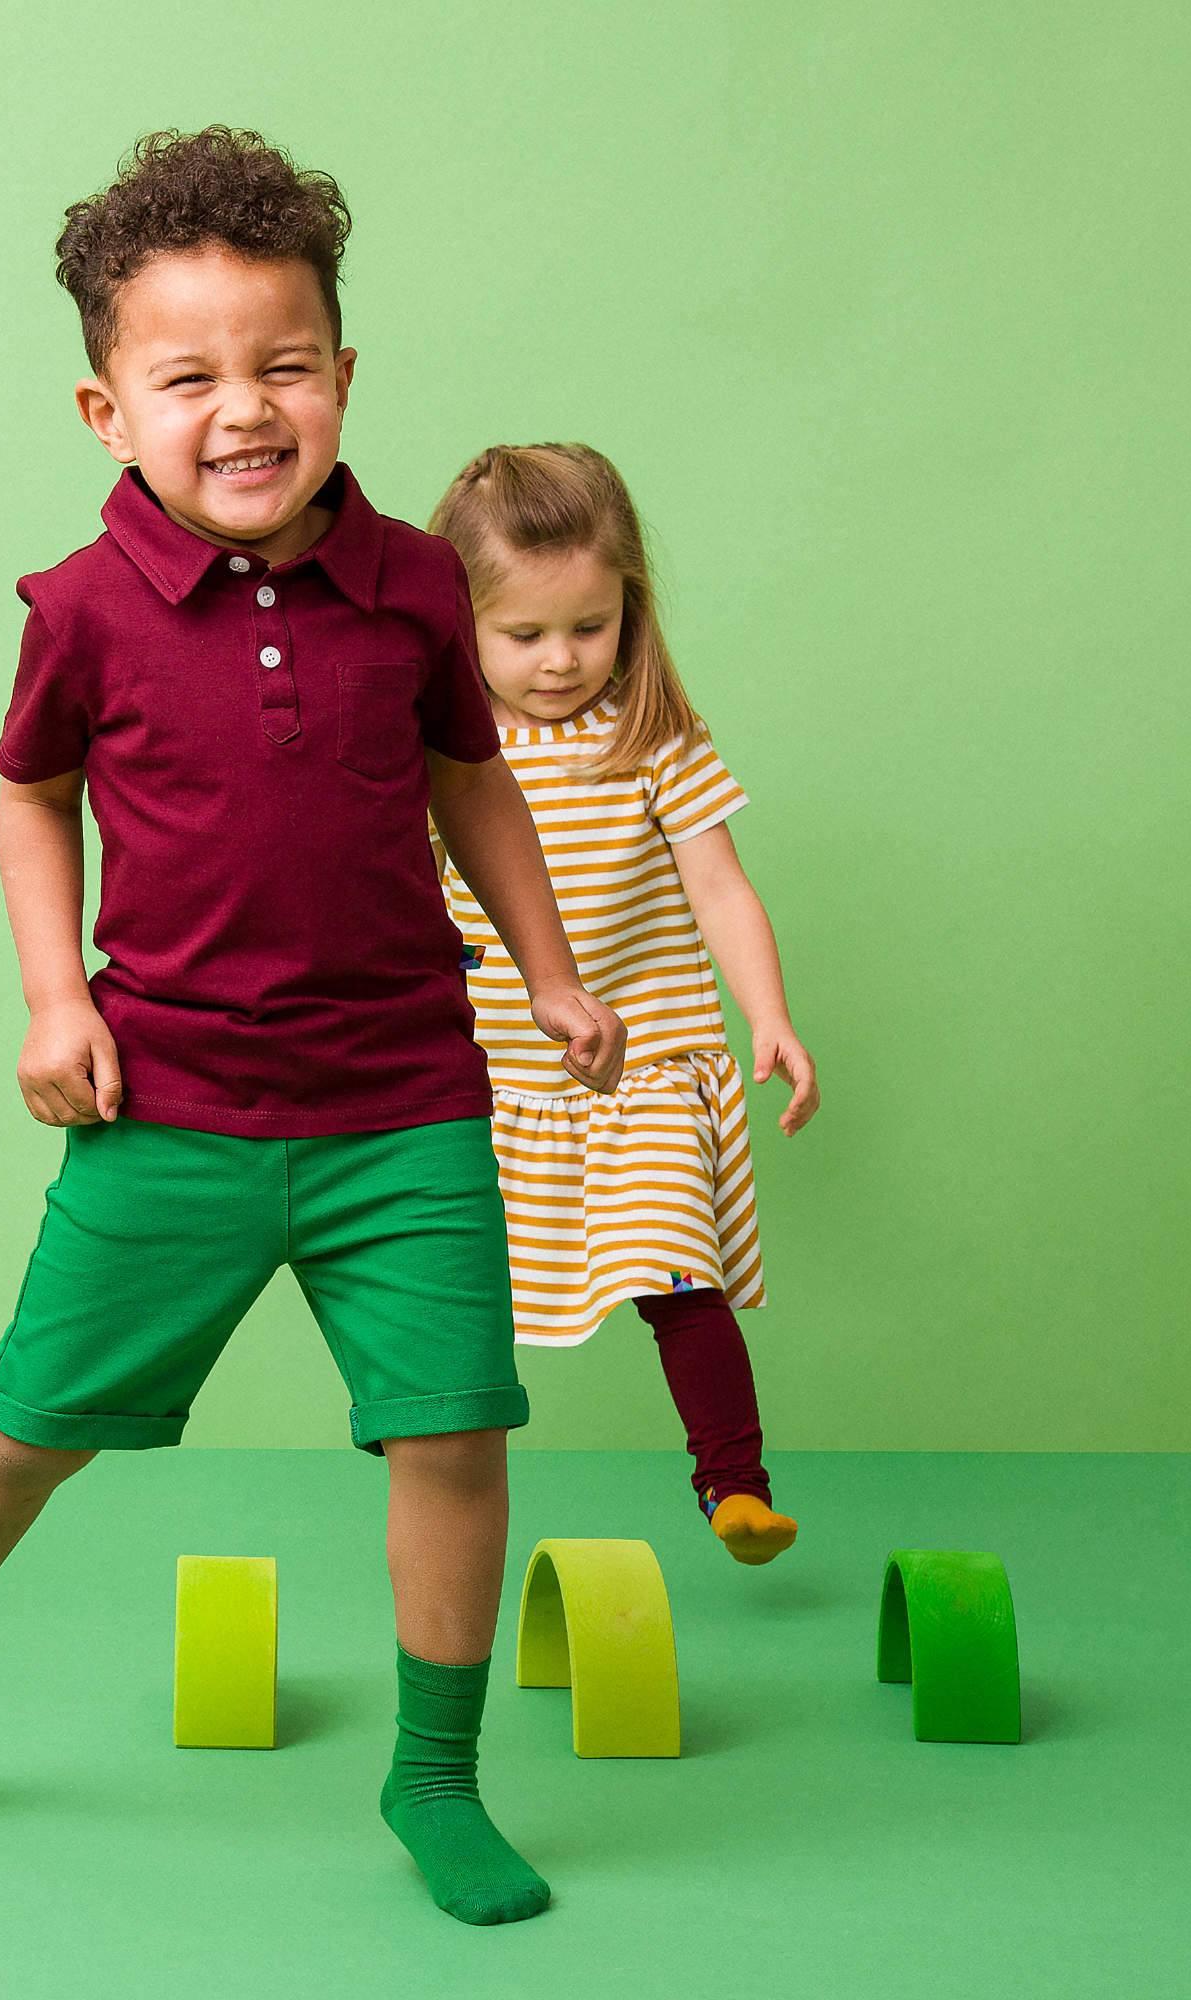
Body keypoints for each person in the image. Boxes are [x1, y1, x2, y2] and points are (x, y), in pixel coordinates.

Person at [0, 130, 626, 1929]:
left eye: (285, 365)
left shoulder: (412, 583)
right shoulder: (81, 612)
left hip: (404, 1103)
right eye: (191, 378)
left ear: (342, 376)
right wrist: (52, 996)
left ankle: (436, 1778)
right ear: (107, 410)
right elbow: (32, 800)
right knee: (28, 1421)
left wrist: (548, 972)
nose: (244, 410)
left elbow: (475, 784)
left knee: (457, 1434)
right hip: (168, 1106)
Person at [427, 443, 819, 1564]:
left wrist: (768, 1013)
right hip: (488, 1082)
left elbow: (718, 885)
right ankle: (451, 1511)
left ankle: (732, 1484)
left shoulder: (651, 742)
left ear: (628, 613)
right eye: (525, 634)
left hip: (641, 1069)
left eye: (588, 629)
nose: (560, 661)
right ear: (460, 624)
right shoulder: (441, 756)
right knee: (454, 1309)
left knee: (671, 1263)